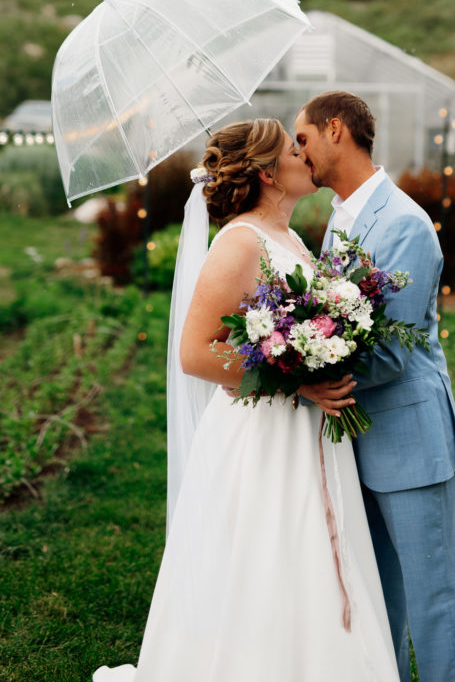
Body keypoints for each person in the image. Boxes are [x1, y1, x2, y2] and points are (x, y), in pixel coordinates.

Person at [93, 118, 399, 682]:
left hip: (305, 434)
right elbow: (195, 352)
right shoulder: (239, 241)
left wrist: (328, 346)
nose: (305, 154)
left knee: (307, 560)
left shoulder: (292, 239)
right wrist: (298, 379)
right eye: (292, 149)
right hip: (260, 437)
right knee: (265, 560)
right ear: (265, 173)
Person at [294, 92, 455, 682]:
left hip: (410, 441)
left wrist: (297, 374)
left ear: (335, 130)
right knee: (376, 603)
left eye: (303, 138)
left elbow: (392, 351)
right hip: (353, 443)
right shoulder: (338, 220)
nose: (299, 152)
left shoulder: (404, 223)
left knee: (433, 604)